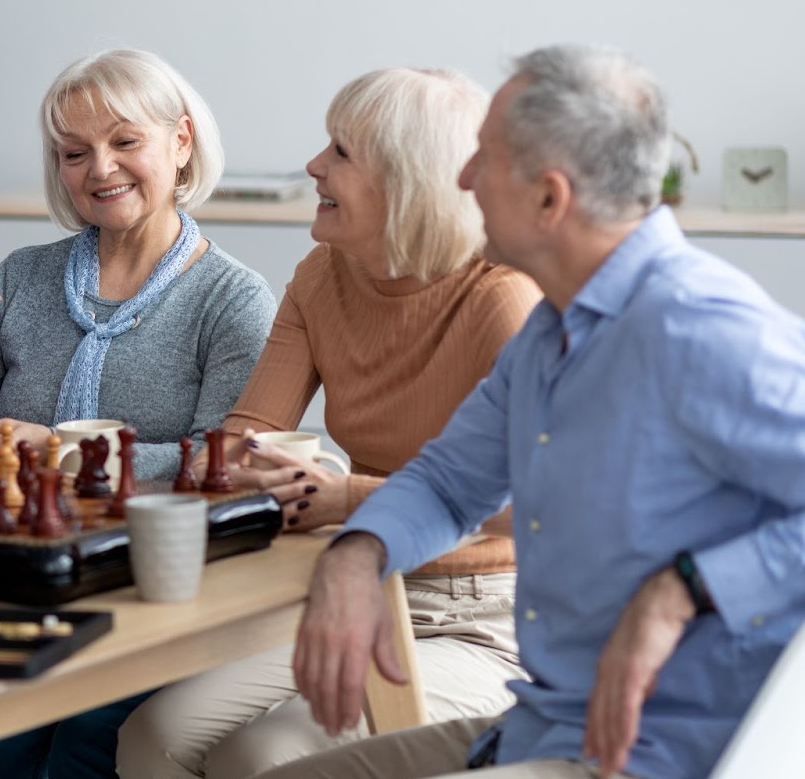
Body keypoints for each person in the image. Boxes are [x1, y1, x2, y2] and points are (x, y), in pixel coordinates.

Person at [257, 45, 805, 779]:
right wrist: (356, 557)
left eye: (482, 158)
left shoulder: (699, 324)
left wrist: (681, 591)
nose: (459, 179)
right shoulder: (552, 328)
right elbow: (451, 482)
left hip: (660, 752)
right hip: (541, 724)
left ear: (549, 199)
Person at [117, 68, 541, 778]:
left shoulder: (501, 299)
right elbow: (242, 439)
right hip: (359, 583)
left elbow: (537, 504)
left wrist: (351, 498)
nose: (313, 165)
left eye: (341, 152)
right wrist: (236, 464)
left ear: (408, 181)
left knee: (261, 757)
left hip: (488, 614)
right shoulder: (322, 275)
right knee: (152, 736)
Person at [0, 48, 276, 779]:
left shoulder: (234, 300)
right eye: (74, 152)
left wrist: (63, 453)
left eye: (126, 141)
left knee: (86, 746)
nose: (101, 169)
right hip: (17, 577)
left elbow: (224, 467)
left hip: (154, 591)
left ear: (180, 142)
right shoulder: (23, 275)